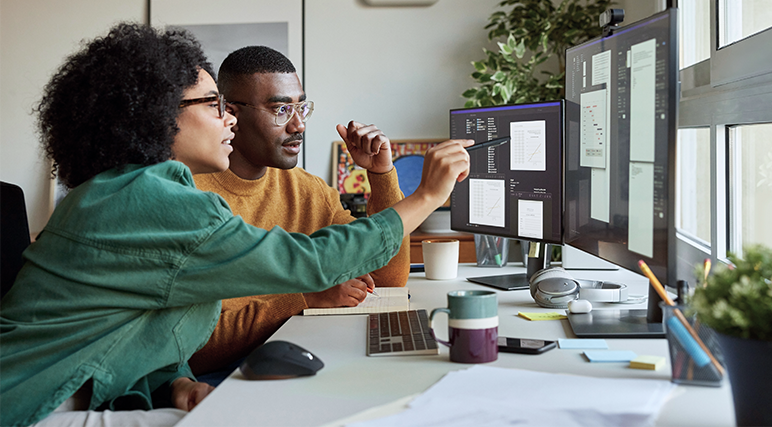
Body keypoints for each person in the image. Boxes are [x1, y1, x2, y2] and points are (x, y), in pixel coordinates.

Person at [0, 23, 472, 427]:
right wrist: (427, 196)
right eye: (213, 105)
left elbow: (135, 330)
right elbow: (309, 262)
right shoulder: (150, 199)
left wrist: (176, 385)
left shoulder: (127, 191)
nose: (227, 119)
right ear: (159, 116)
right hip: (28, 412)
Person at [189, 46, 409, 374]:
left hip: (295, 352)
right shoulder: (188, 196)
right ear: (231, 114)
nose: (298, 126)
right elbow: (192, 346)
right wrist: (305, 298)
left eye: (301, 108)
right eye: (281, 110)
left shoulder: (306, 189)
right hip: (220, 377)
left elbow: (387, 277)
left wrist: (381, 176)